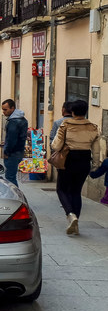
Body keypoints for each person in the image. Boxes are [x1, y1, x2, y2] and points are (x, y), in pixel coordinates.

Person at [51, 99, 99, 235]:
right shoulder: (93, 127)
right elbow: (96, 151)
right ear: (86, 112)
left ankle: (70, 215)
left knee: (61, 189)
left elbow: (56, 145)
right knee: (76, 192)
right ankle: (76, 223)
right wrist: (95, 165)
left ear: (72, 112)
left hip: (68, 159)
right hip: (84, 160)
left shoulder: (66, 124)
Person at [1, 99, 28, 187]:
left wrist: (6, 152)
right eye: (3, 109)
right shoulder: (23, 119)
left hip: (13, 153)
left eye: (5, 109)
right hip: (19, 151)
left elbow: (12, 139)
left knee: (10, 177)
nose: (3, 112)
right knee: (11, 176)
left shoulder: (13, 122)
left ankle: (14, 196)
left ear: (12, 108)